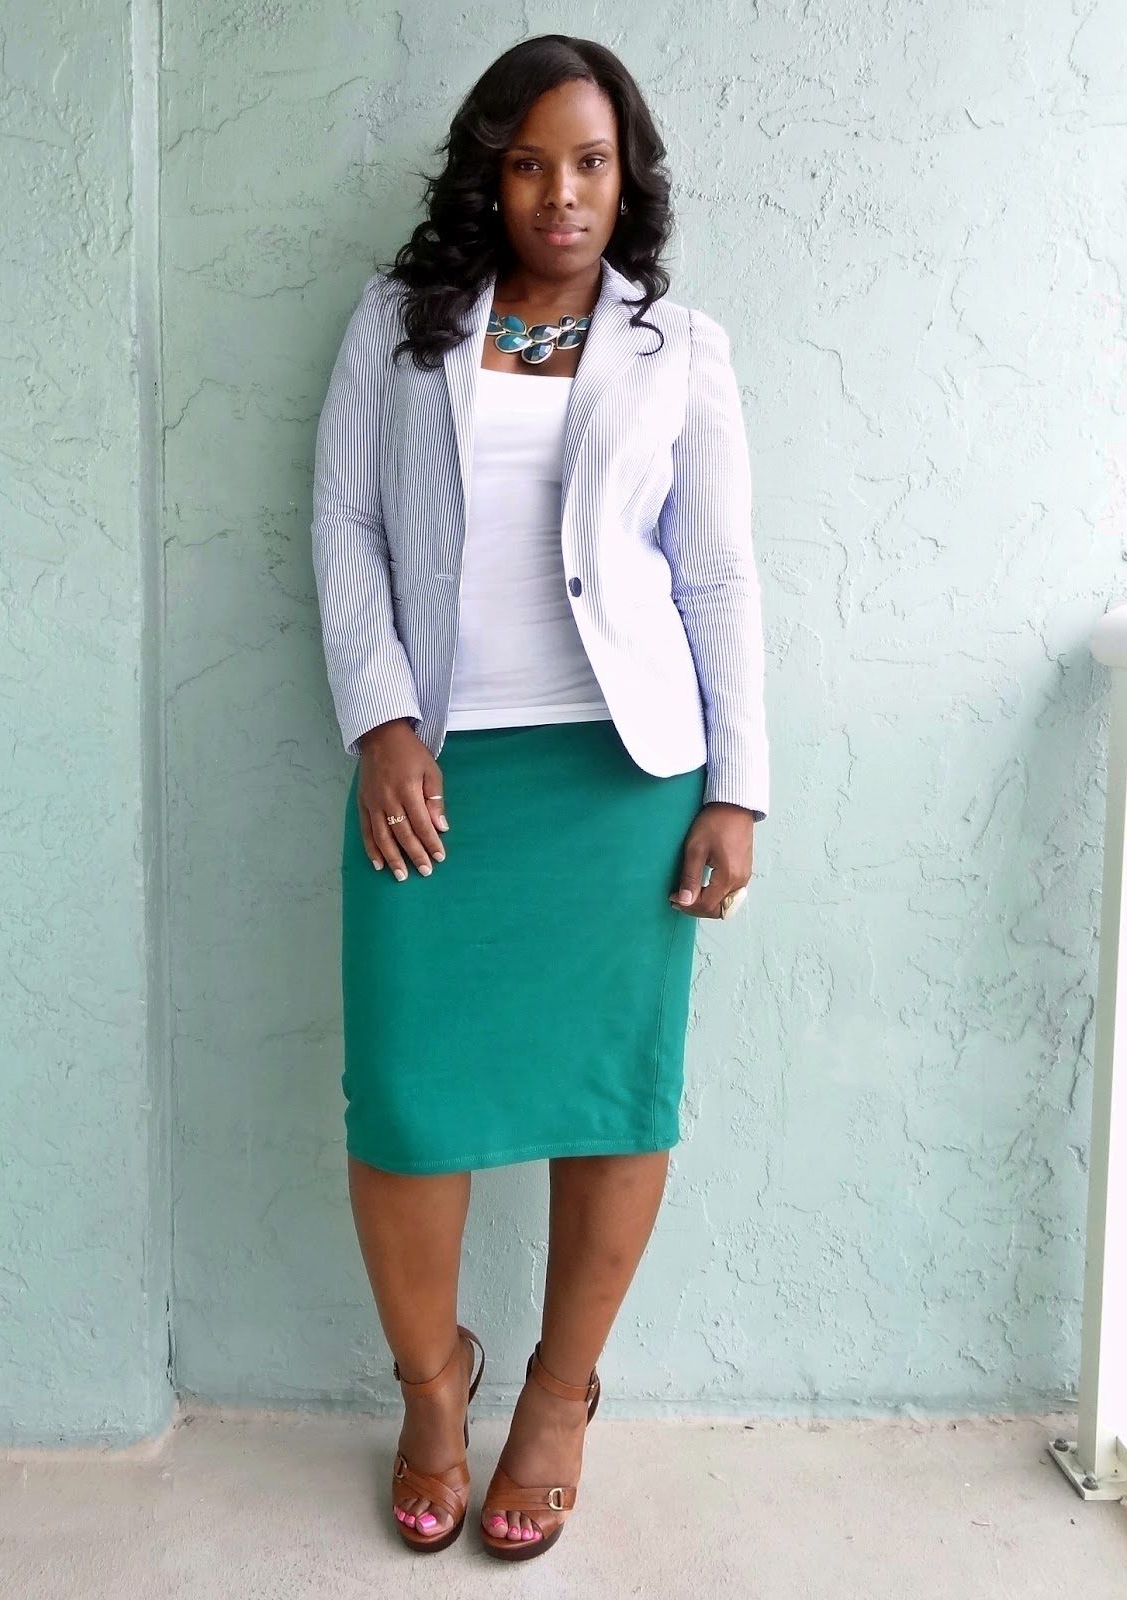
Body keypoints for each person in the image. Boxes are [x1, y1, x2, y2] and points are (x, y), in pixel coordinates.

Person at [310, 32, 769, 1563]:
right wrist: (381, 722)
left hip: (624, 782)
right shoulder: (399, 323)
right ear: (487, 178)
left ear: (626, 178)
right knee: (406, 1102)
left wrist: (738, 789)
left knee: (613, 1094)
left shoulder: (677, 348)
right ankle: (431, 1385)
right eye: (527, 163)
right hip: (434, 775)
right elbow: (342, 525)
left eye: (589, 162)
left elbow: (716, 574)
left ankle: (560, 1400)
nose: (560, 193)